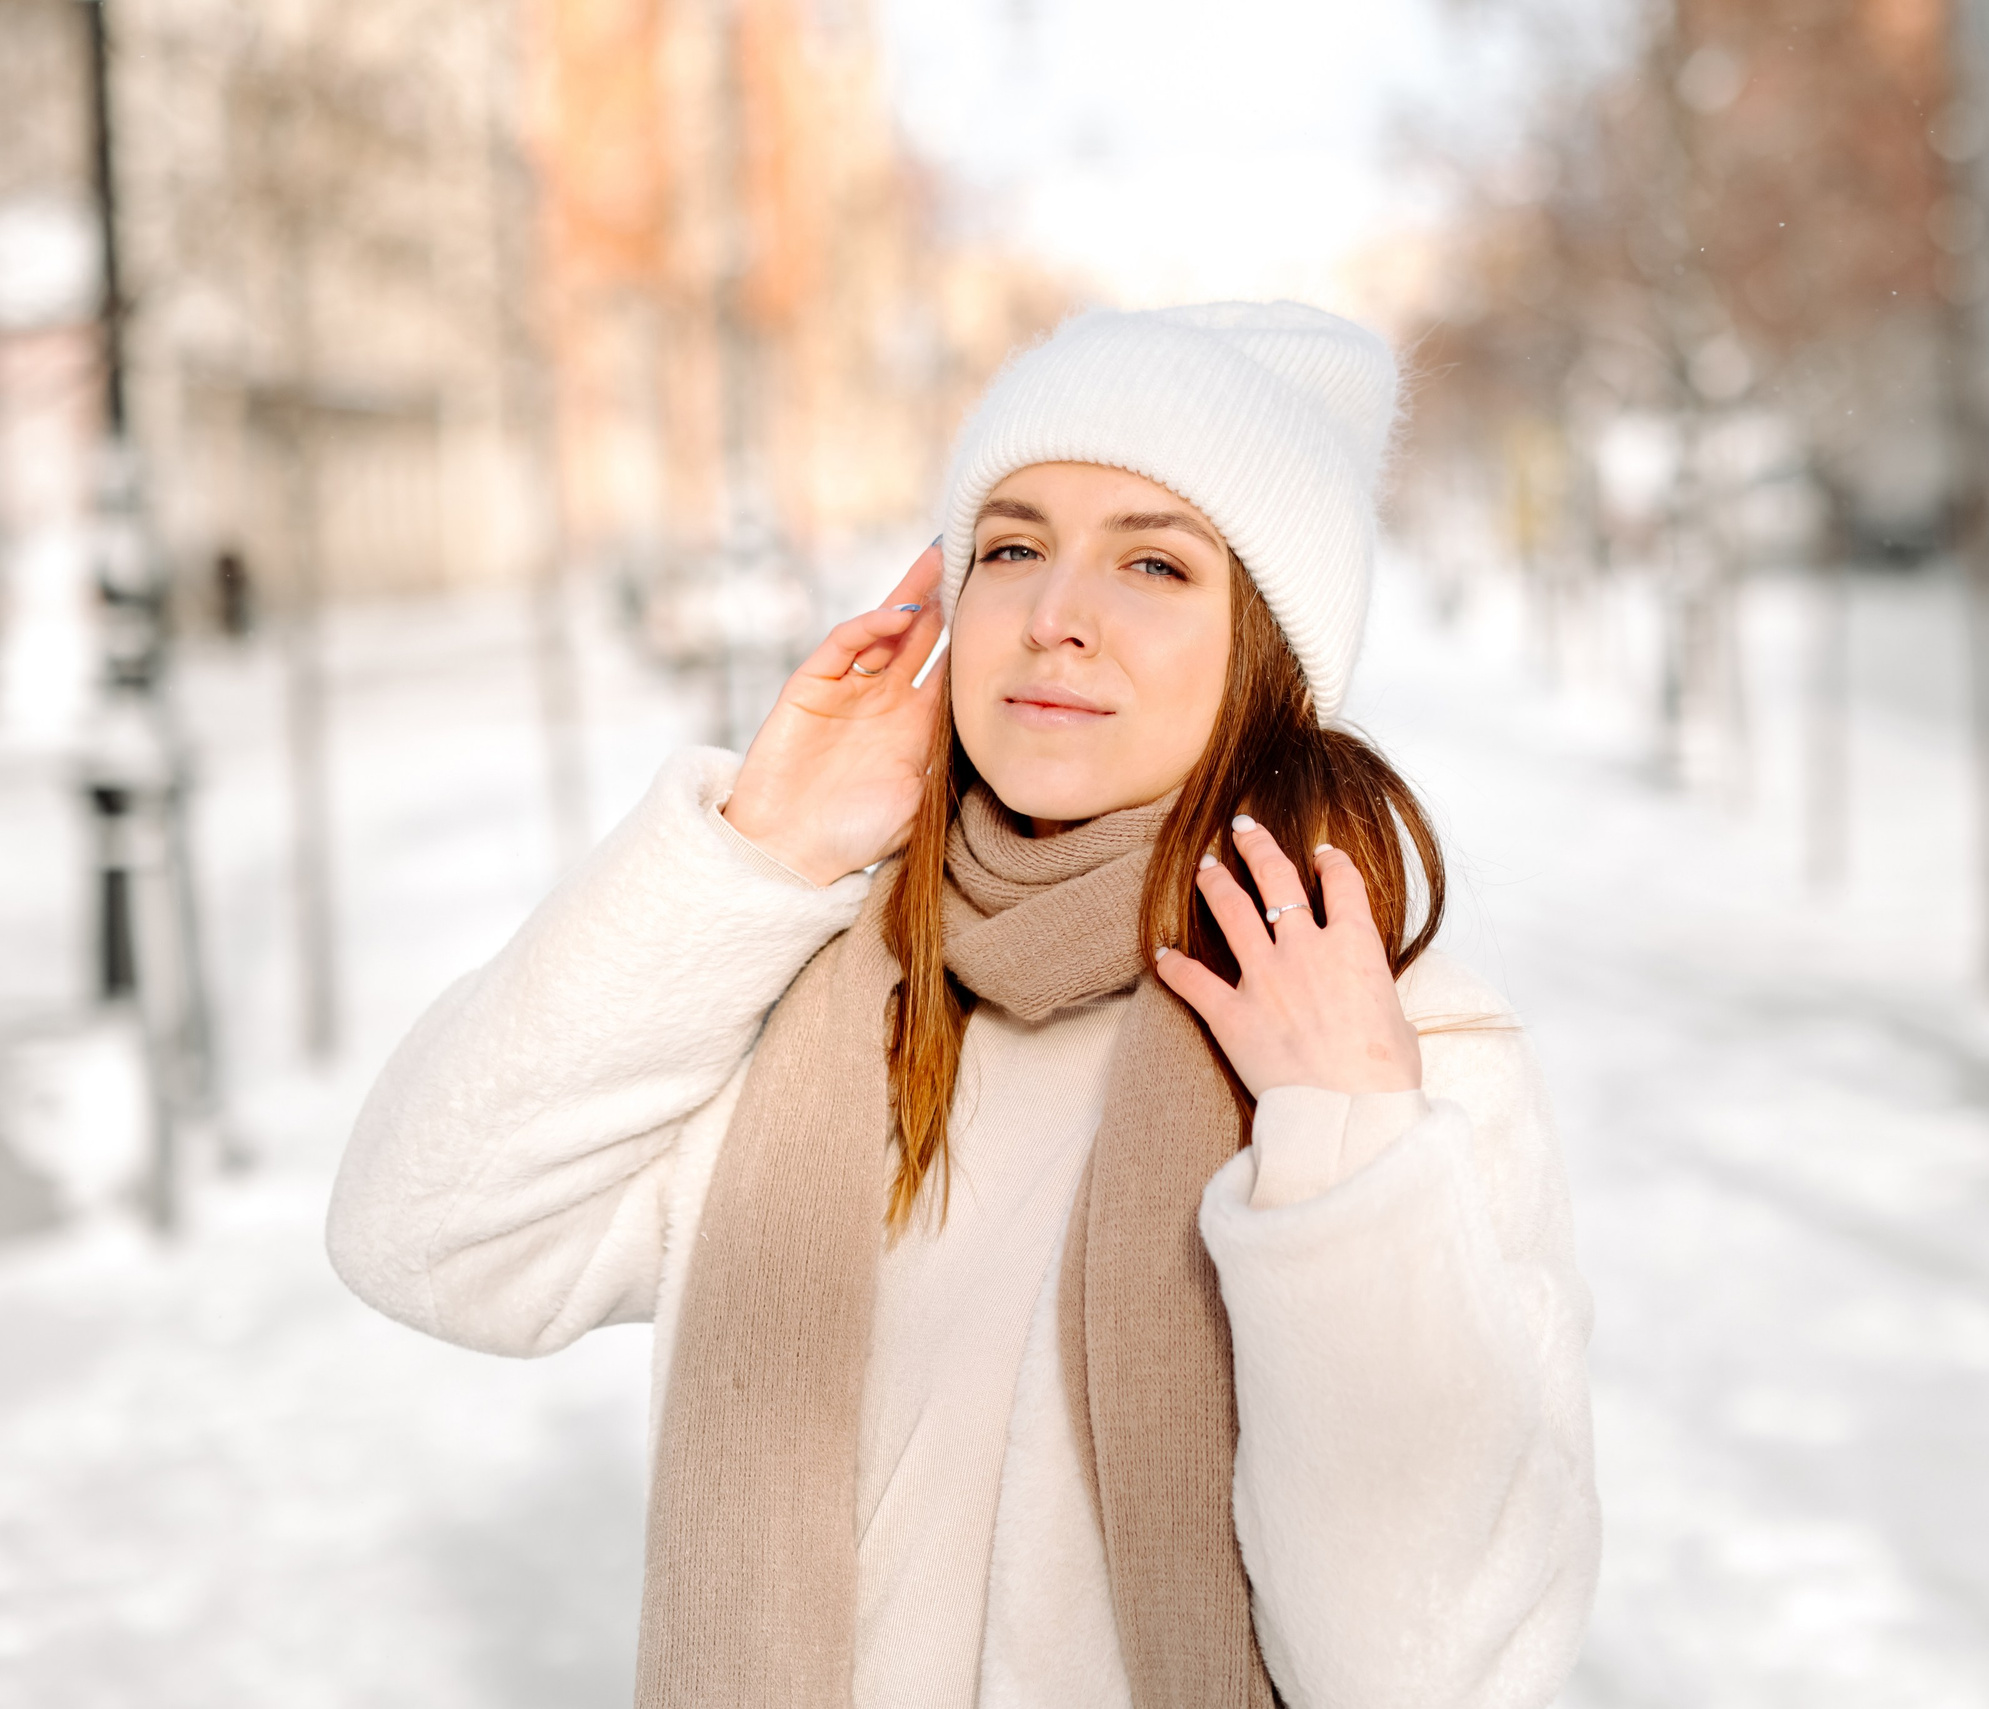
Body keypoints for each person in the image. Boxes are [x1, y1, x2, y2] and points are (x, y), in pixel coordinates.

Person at [326, 301, 1598, 1709]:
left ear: (1268, 655)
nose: (1056, 618)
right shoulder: (820, 997)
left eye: (1155, 563)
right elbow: (426, 1237)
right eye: (1010, 548)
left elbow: (1435, 1672)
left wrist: (1346, 1145)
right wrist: (759, 851)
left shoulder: (1390, 1051)